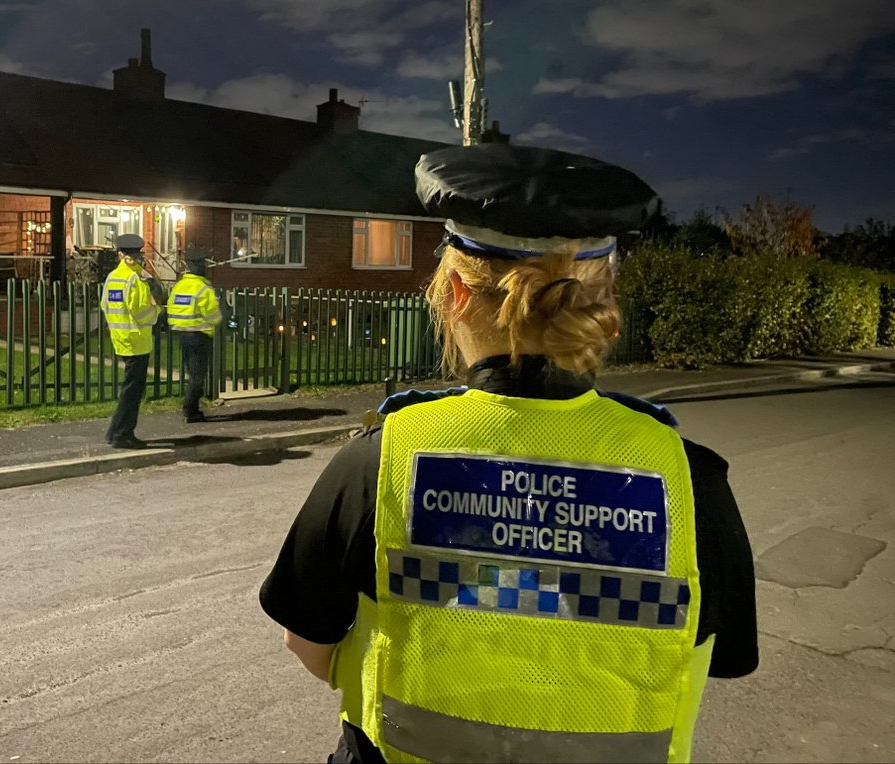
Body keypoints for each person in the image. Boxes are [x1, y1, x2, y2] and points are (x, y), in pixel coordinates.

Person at [259, 143, 759, 764]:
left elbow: (308, 644)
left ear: (455, 294)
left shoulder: (381, 460)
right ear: (602, 298)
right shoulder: (690, 479)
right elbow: (719, 659)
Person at [100, 233, 159, 449]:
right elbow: (142, 313)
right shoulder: (136, 280)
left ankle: (114, 431)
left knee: (129, 388)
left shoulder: (113, 277)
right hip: (137, 341)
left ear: (120, 254)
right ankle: (122, 434)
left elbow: (105, 305)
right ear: (138, 255)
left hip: (120, 339)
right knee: (132, 392)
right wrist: (157, 311)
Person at [165, 248, 223, 423]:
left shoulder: (179, 286)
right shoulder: (203, 288)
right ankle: (190, 410)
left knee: (192, 373)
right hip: (199, 336)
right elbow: (213, 315)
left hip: (182, 335)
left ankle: (191, 408)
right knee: (198, 375)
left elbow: (171, 308)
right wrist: (218, 320)